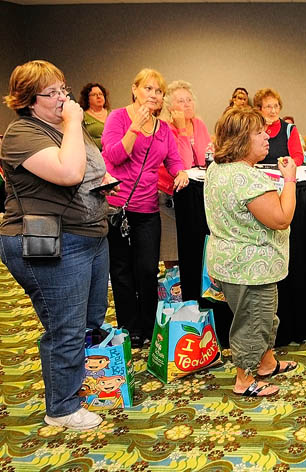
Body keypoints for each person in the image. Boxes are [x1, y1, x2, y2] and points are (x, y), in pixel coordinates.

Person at [1, 60, 118, 430]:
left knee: (90, 319)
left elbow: (90, 168)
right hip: (50, 240)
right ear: (27, 101)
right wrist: (72, 123)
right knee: (65, 326)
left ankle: (82, 384)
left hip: (90, 234)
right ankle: (62, 408)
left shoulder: (64, 127)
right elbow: (69, 172)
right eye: (50, 93)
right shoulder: (22, 133)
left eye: (63, 90)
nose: (62, 99)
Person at [204, 107, 298, 397]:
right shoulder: (247, 179)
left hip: (231, 264)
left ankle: (266, 364)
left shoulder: (217, 169)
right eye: (259, 132)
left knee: (263, 317)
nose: (267, 136)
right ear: (241, 139)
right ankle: (244, 380)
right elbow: (281, 218)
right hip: (250, 269)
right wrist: (290, 180)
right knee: (253, 323)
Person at [101, 68, 189, 348]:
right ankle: (130, 328)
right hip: (118, 207)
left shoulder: (163, 129)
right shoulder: (117, 118)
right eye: (148, 88)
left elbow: (172, 159)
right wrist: (134, 127)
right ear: (134, 89)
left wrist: (180, 172)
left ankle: (149, 326)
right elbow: (114, 155)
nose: (153, 95)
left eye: (158, 91)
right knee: (122, 271)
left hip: (148, 207)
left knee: (148, 270)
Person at [158, 80, 212, 265]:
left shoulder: (199, 125)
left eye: (189, 100)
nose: (187, 104)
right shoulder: (165, 128)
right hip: (170, 197)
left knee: (196, 252)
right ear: (169, 107)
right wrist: (181, 129)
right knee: (173, 254)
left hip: (196, 195)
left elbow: (204, 159)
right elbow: (184, 164)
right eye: (180, 101)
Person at [253, 88, 304, 166]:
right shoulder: (253, 128)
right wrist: (263, 126)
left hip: (282, 170)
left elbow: (298, 157)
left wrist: (288, 163)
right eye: (268, 107)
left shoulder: (289, 129)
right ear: (259, 109)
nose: (273, 111)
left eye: (276, 106)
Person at [79, 83, 110, 150]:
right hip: (94, 153)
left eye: (101, 94)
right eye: (94, 95)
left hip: (114, 152)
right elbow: (81, 140)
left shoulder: (113, 114)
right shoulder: (82, 116)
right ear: (87, 99)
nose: (98, 96)